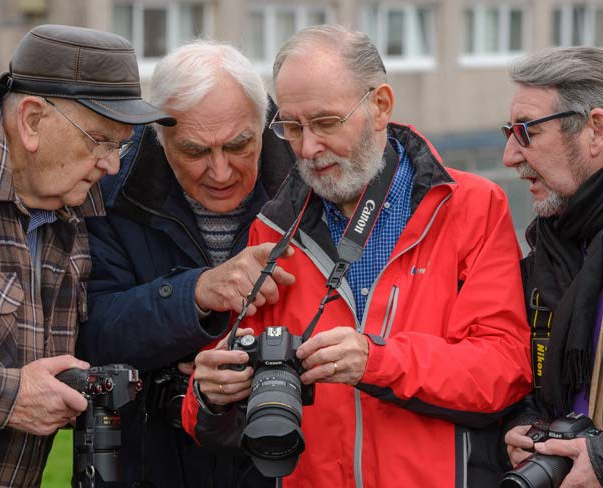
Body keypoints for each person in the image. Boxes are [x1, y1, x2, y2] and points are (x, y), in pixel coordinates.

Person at [182, 25, 532, 488]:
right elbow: (230, 407)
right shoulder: (272, 230)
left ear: (380, 105)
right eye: (292, 127)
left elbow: (504, 370)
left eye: (325, 122)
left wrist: (376, 360)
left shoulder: (472, 206)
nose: (308, 148)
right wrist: (208, 394)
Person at [0, 24, 174, 487]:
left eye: (121, 144)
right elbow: (19, 391)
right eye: (100, 140)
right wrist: (9, 398)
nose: (112, 165)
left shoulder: (67, 197)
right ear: (32, 120)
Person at [76, 41, 294, 487]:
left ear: (264, 124)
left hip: (281, 463)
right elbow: (87, 335)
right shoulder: (109, 193)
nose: (221, 172)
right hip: (150, 463)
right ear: (159, 138)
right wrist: (195, 293)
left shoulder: (309, 188)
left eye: (239, 145)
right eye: (195, 152)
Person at [501, 47, 603, 487]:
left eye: (526, 132)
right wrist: (525, 425)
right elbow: (532, 380)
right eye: (509, 133)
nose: (510, 156)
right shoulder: (555, 241)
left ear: (596, 129)